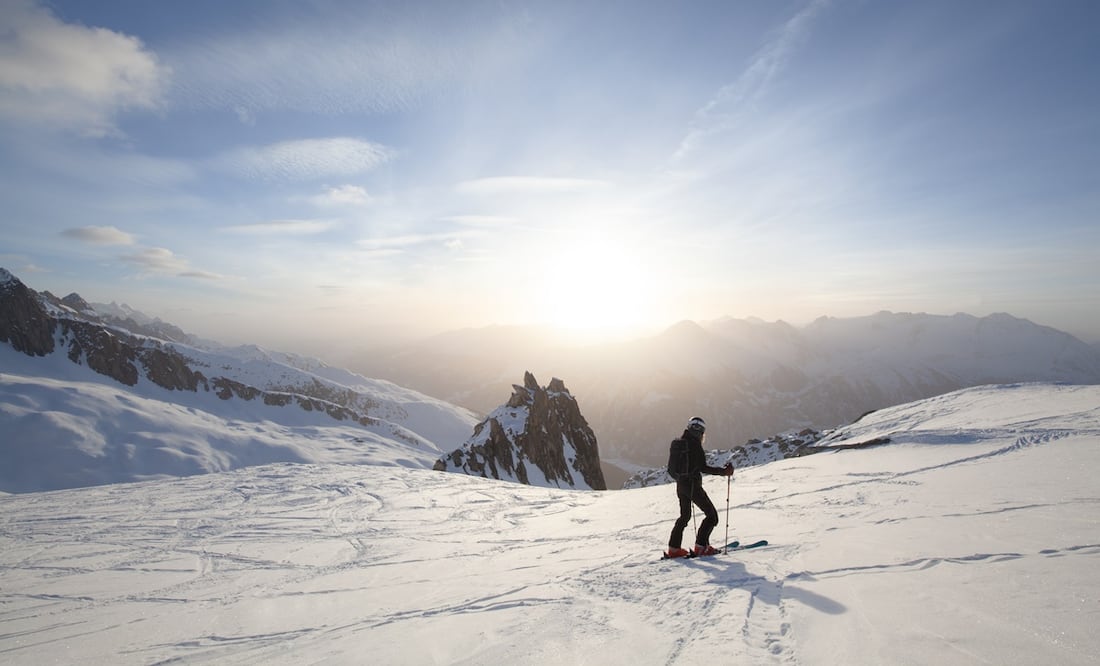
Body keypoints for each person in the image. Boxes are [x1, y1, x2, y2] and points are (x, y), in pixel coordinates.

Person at [667, 416, 734, 558]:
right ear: (702, 432)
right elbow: (703, 467)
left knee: (684, 517)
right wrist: (724, 472)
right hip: (693, 486)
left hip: (681, 485)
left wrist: (682, 479)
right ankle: (701, 547)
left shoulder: (678, 444)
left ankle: (674, 549)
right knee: (712, 516)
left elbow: (671, 469)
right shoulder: (695, 445)